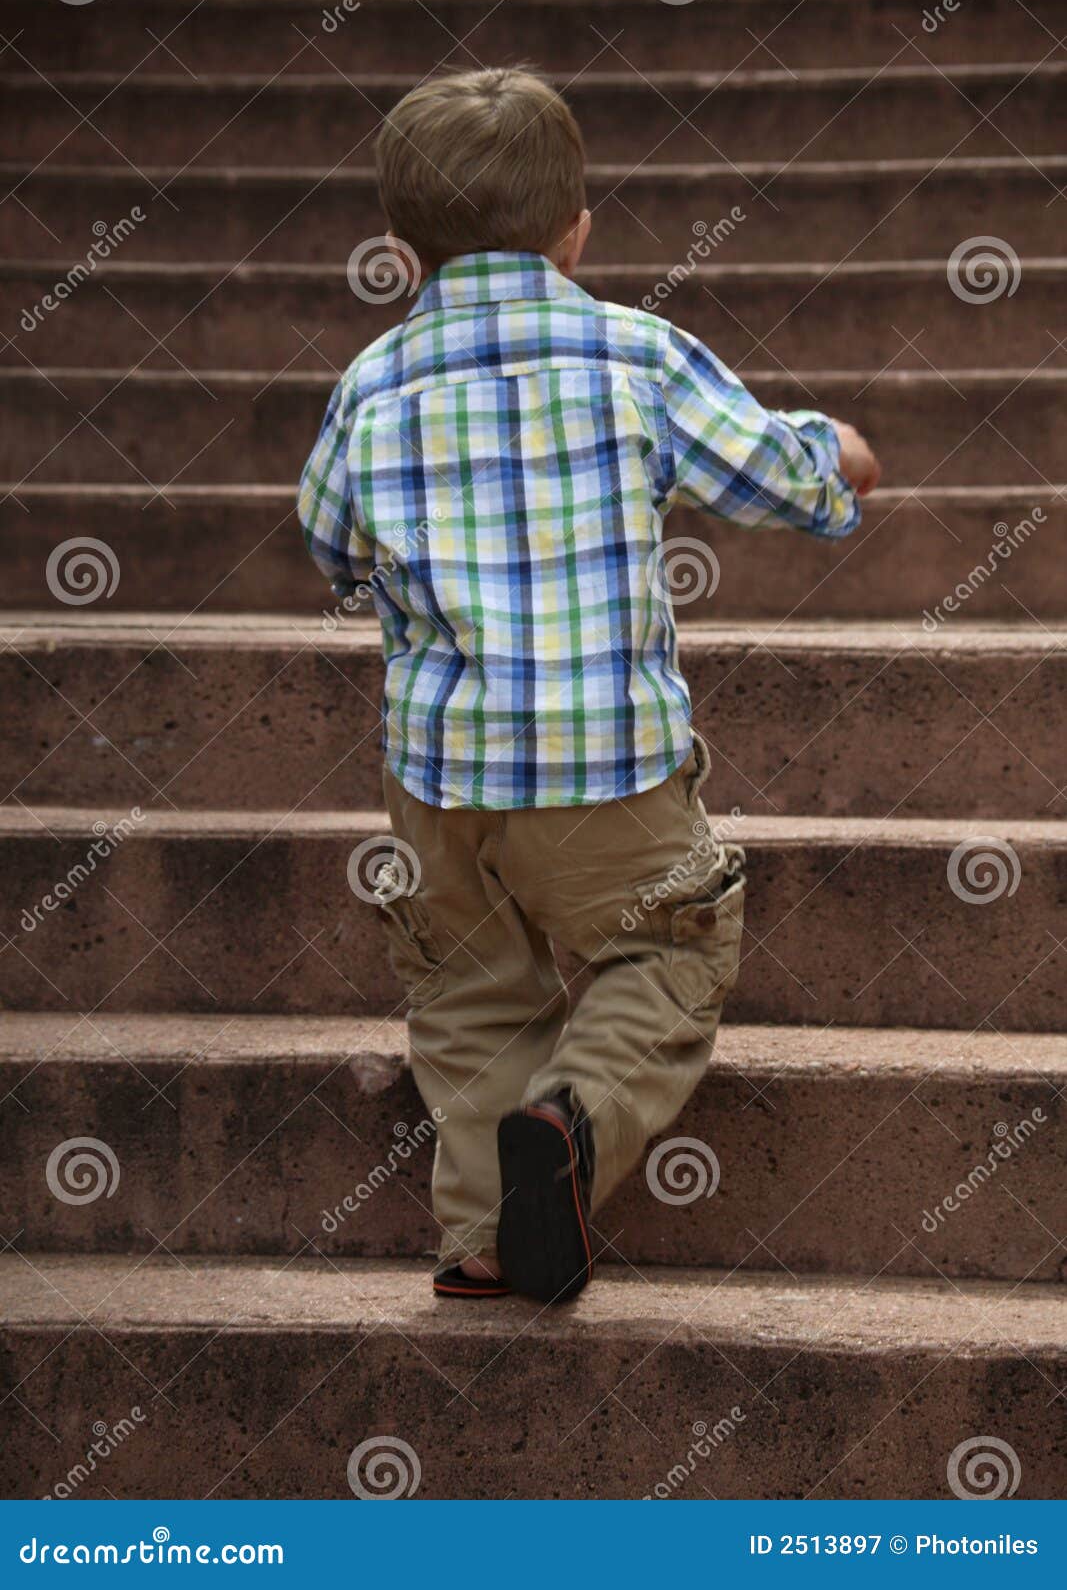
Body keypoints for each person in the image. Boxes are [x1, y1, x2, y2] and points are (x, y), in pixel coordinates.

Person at [298, 67, 880, 1304]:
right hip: (605, 770)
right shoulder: (633, 351)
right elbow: (769, 474)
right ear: (576, 229)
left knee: (465, 992)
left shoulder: (369, 384)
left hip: (440, 782)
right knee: (673, 942)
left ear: (401, 249)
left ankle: (479, 1239)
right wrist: (834, 458)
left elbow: (329, 545)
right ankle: (573, 1120)